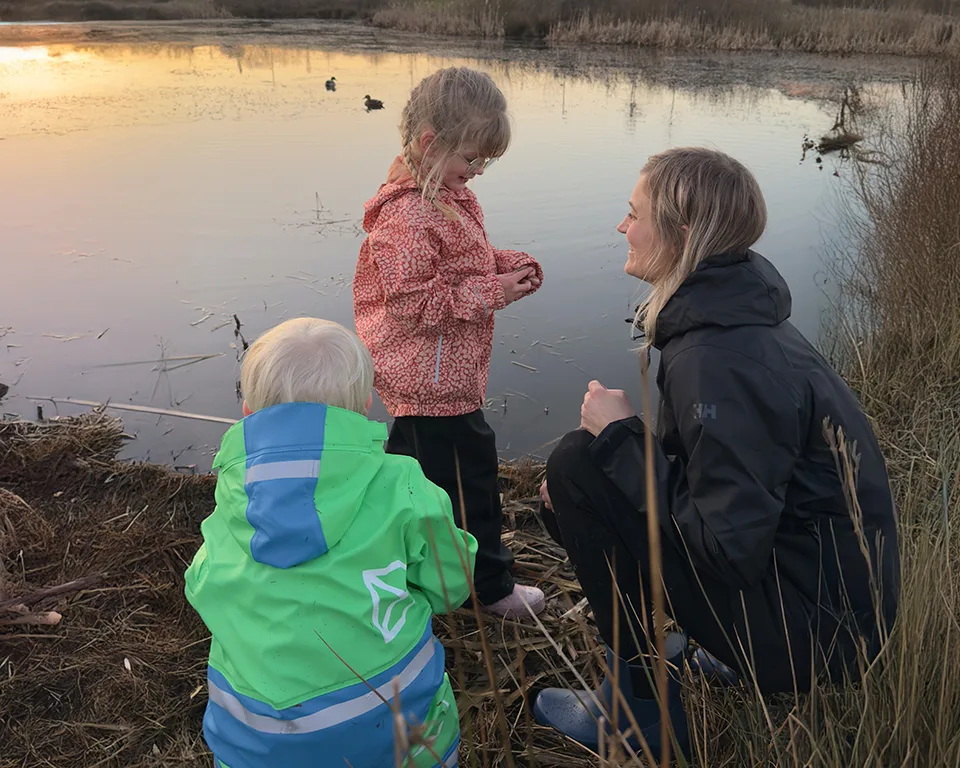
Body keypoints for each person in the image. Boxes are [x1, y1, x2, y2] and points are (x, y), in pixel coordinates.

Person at [533, 148, 900, 756]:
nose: (621, 228)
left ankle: (636, 712)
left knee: (577, 458)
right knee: (590, 466)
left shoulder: (718, 359)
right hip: (829, 608)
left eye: (633, 214)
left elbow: (727, 551)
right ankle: (695, 661)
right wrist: (612, 468)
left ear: (680, 233)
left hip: (812, 636)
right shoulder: (737, 315)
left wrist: (619, 444)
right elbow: (727, 477)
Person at [184, 318, 476, 768]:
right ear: (365, 406)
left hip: (255, 747)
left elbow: (202, 583)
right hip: (398, 734)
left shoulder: (233, 494)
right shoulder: (402, 483)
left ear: (248, 412)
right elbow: (451, 582)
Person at [354, 67, 546, 619]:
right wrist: (493, 292)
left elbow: (458, 264)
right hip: (428, 378)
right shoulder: (408, 216)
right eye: (472, 159)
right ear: (429, 144)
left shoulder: (444, 191)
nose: (478, 172)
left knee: (414, 477)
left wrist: (505, 266)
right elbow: (414, 306)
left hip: (439, 373)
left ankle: (409, 569)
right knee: (470, 482)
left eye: (487, 161)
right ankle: (488, 590)